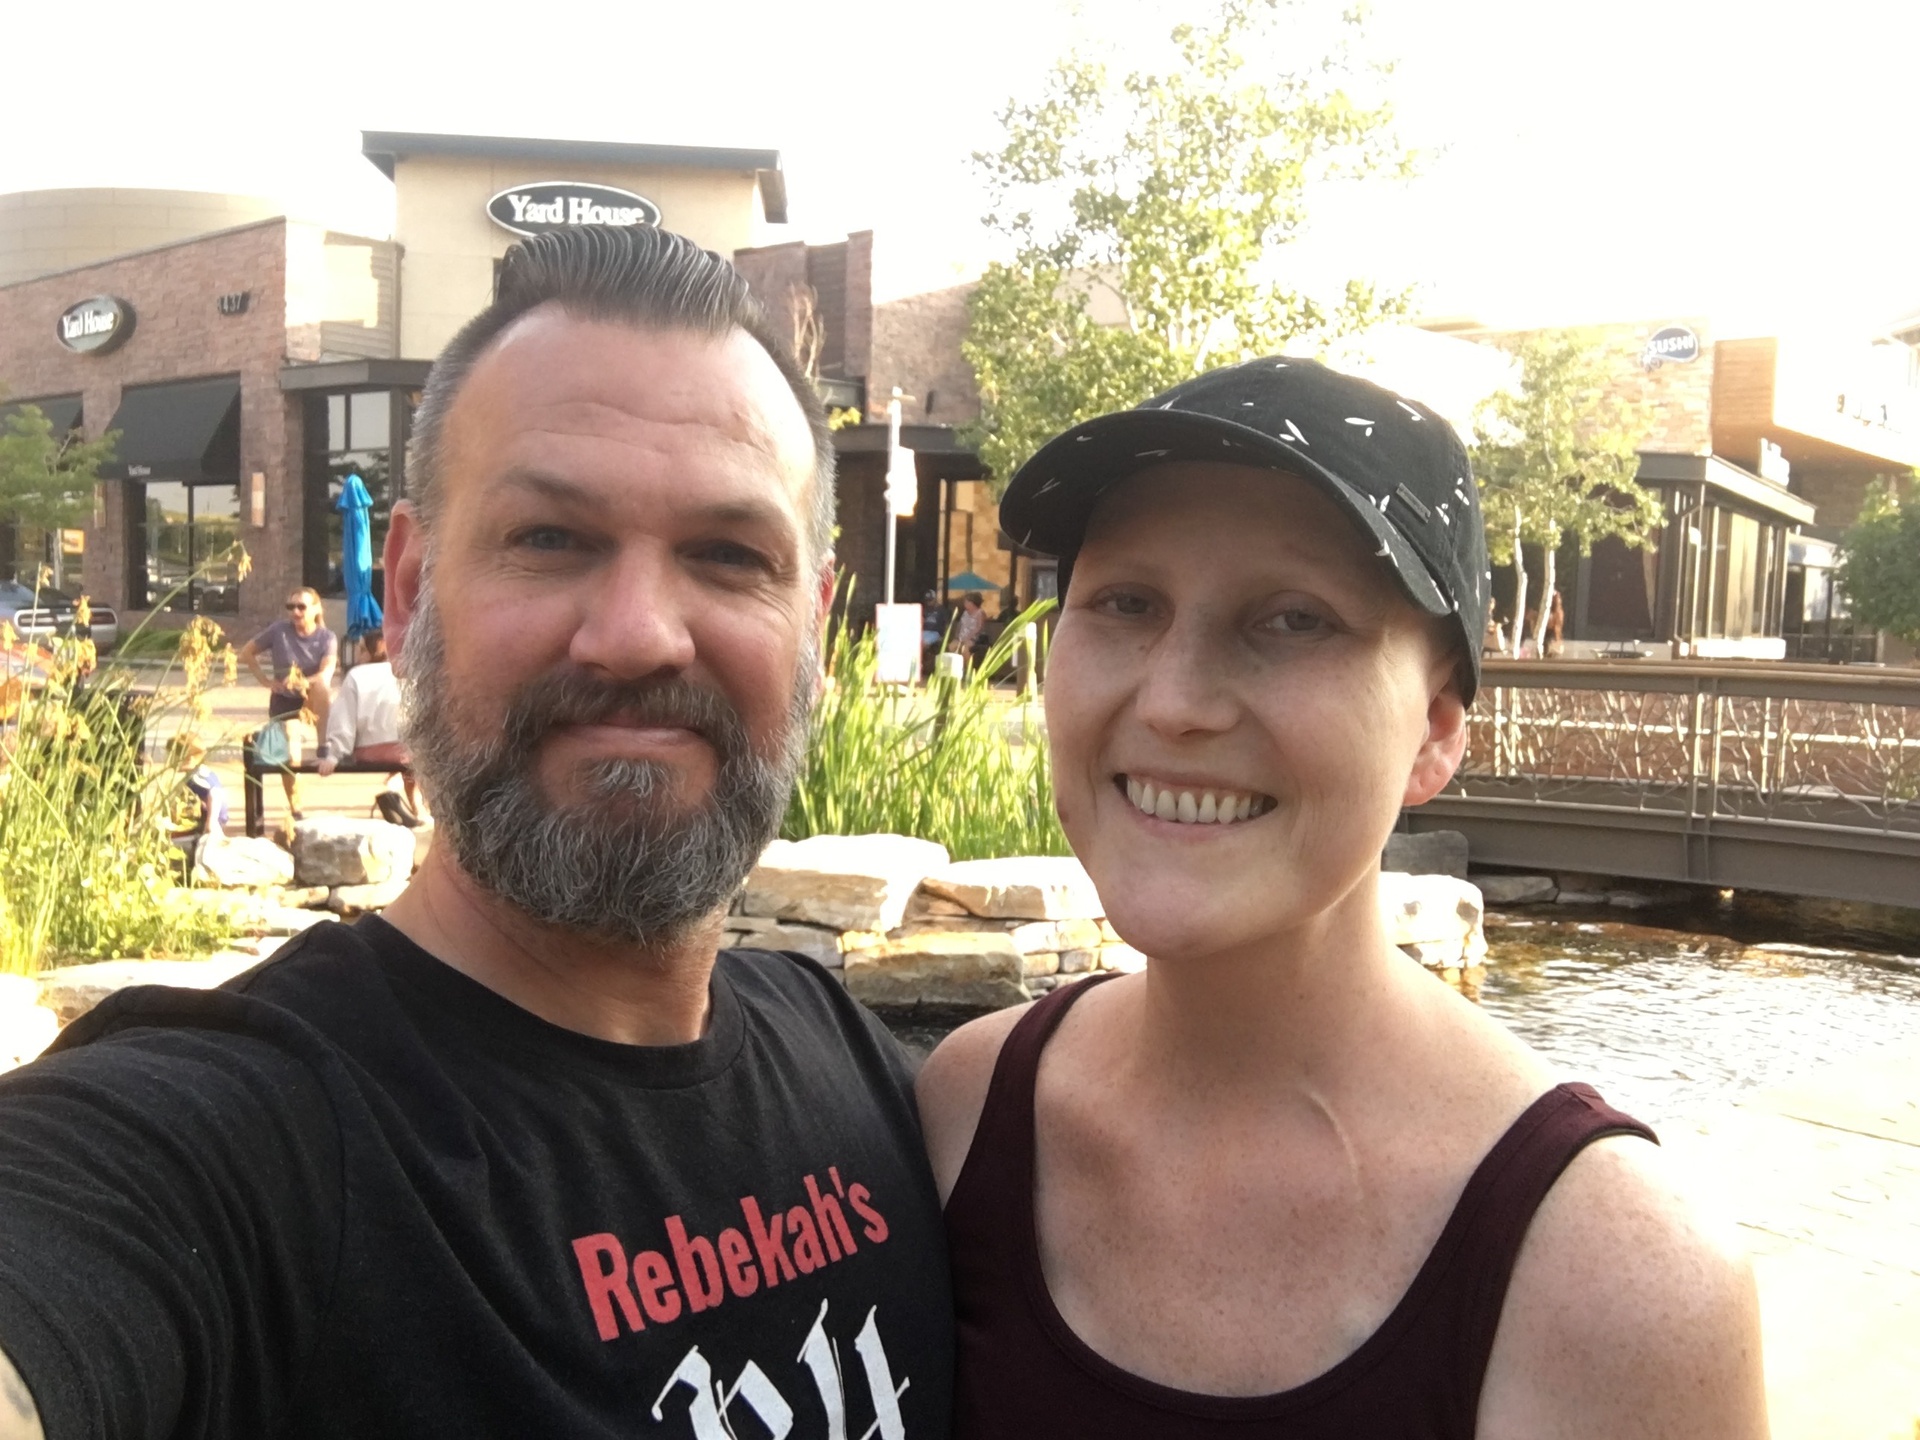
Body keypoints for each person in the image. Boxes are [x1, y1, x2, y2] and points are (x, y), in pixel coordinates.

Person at [0, 227, 953, 1439]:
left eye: (729, 555)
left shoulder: (850, 1059)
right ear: (407, 591)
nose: (638, 635)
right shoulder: (235, 1141)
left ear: (810, 629)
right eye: (550, 538)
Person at [917, 359, 1765, 1439]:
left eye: (1294, 620)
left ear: (1436, 730)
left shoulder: (1614, 1281)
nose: (1173, 701)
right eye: (1126, 603)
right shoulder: (965, 1112)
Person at [238, 587, 337, 819]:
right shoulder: (279, 630)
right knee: (290, 750)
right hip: (284, 700)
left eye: (301, 607)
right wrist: (265, 681)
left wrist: (301, 682)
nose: (295, 612)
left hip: (310, 696)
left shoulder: (327, 637)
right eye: (290, 607)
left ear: (316, 609)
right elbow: (246, 653)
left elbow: (326, 673)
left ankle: (323, 745)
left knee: (322, 687)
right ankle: (295, 807)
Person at [315, 629, 423, 823]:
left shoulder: (356, 675)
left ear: (375, 650)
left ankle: (398, 791)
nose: (358, 655)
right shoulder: (411, 672)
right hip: (410, 752)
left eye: (362, 650)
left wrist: (333, 755)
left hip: (370, 752)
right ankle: (414, 804)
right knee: (411, 757)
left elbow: (344, 721)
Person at [946, 592, 986, 667]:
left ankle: (968, 668)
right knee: (951, 646)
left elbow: (979, 627)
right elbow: (960, 625)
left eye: (966, 602)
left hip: (973, 638)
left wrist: (968, 637)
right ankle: (956, 667)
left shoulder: (980, 613)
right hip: (962, 636)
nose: (964, 603)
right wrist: (957, 636)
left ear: (972, 603)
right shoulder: (965, 613)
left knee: (964, 649)